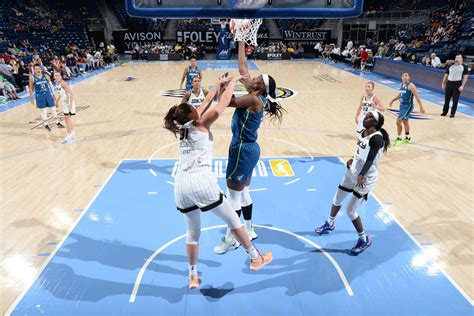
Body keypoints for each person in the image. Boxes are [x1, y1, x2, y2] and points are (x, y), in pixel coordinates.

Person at [164, 74, 272, 289]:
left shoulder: (185, 127)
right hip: (200, 182)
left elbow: (205, 102)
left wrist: (216, 85)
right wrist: (232, 81)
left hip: (180, 186)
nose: (199, 108)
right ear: (193, 114)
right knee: (233, 220)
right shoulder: (202, 124)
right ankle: (255, 257)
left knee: (192, 234)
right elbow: (222, 103)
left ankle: (193, 275)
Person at [214, 40, 285, 254]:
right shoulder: (255, 95)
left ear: (261, 86)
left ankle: (231, 240)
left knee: (232, 196)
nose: (251, 77)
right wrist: (241, 41)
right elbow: (243, 67)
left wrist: (224, 86)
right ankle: (249, 229)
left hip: (242, 149)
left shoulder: (254, 100)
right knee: (243, 192)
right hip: (249, 149)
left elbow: (228, 102)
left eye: (256, 78)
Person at [315, 111, 390, 255]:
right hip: (353, 171)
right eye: (366, 115)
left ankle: (364, 239)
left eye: (369, 117)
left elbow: (370, 159)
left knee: (350, 211)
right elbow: (361, 151)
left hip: (366, 177)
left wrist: (361, 175)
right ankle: (330, 224)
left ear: (375, 123)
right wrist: (352, 159)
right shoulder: (363, 131)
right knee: (337, 198)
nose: (365, 118)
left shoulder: (377, 139)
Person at [389, 73, 425, 145]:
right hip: (402, 106)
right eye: (403, 76)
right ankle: (407, 137)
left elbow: (417, 97)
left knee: (398, 122)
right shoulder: (401, 85)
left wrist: (421, 106)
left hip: (408, 106)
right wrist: (393, 100)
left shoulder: (411, 85)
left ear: (409, 78)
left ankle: (399, 138)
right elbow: (400, 95)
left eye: (406, 76)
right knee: (405, 121)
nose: (405, 77)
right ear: (401, 77)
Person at [29, 64, 64, 131]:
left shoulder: (46, 76)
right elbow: (30, 88)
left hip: (48, 94)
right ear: (34, 70)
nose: (38, 70)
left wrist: (53, 94)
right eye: (36, 69)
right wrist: (31, 98)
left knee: (53, 110)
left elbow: (50, 85)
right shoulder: (32, 78)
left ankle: (57, 122)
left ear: (41, 69)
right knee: (43, 111)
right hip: (39, 96)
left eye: (39, 68)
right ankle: (46, 125)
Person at [53, 72, 76, 143]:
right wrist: (56, 101)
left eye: (58, 75)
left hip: (68, 103)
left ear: (61, 76)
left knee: (67, 120)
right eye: (55, 75)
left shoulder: (63, 83)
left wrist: (70, 104)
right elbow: (60, 94)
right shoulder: (57, 84)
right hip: (64, 103)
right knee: (68, 120)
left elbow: (71, 93)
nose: (57, 77)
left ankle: (69, 135)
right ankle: (72, 134)